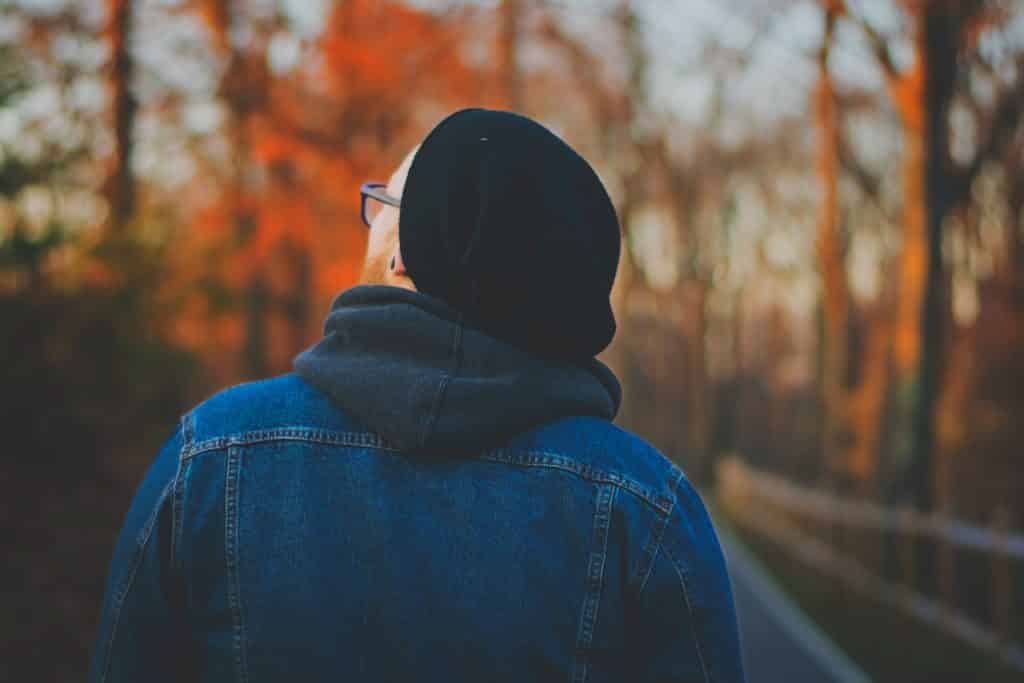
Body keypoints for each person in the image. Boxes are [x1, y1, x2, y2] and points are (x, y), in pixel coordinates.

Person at [90, 108, 745, 683]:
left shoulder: (210, 456)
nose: (370, 216)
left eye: (385, 202)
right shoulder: (647, 508)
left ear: (404, 251)